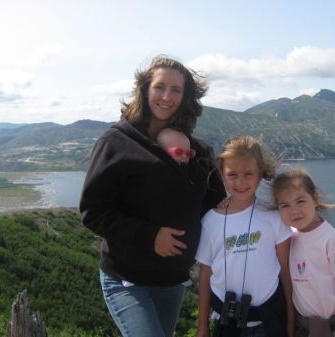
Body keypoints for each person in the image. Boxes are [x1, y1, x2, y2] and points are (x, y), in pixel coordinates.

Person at [79, 56, 226, 337]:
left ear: (186, 98)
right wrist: (150, 236)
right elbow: (92, 211)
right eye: (160, 87)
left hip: (173, 281)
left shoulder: (199, 151)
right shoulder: (117, 142)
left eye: (176, 90)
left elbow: (217, 208)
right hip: (126, 280)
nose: (166, 97)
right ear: (145, 90)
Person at [195, 136, 295, 337]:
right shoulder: (211, 221)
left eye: (249, 174)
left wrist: (291, 322)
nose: (240, 182)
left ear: (260, 174)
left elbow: (286, 272)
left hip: (266, 324)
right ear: (222, 174)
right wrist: (202, 326)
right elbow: (205, 275)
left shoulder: (273, 217)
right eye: (232, 174)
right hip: (225, 323)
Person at [272, 169, 335, 337]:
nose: (294, 211)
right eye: (285, 205)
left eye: (300, 201)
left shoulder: (333, 242)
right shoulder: (289, 238)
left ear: (315, 199)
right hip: (305, 328)